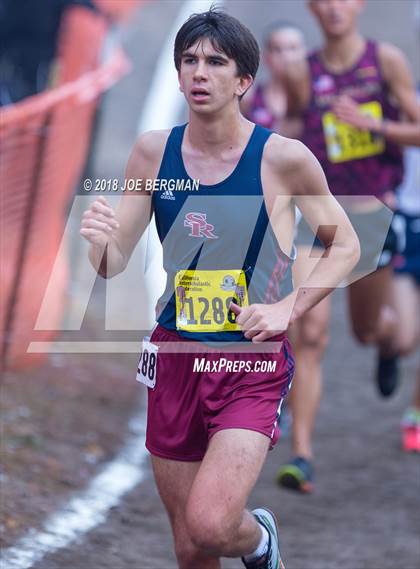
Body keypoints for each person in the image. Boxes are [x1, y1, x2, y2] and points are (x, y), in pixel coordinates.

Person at [80, 9, 359, 568]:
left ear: (243, 81)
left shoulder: (283, 159)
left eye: (214, 62)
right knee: (189, 545)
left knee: (211, 524)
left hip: (248, 366)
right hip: (176, 355)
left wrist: (287, 307)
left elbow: (346, 245)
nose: (198, 73)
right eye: (188, 61)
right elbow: (113, 263)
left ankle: (260, 540)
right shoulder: (153, 153)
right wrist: (99, 241)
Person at [276, 0, 420, 493]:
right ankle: (303, 454)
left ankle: (386, 345)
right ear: (313, 9)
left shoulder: (385, 62)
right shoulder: (303, 72)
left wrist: (372, 124)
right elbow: (292, 127)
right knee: (309, 333)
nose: (334, 8)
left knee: (370, 332)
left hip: (371, 218)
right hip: (316, 215)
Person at [393, 140, 420, 453]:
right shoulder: (406, 101)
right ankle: (389, 348)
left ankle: (415, 413)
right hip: (407, 220)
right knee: (404, 339)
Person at [241, 21, 306, 139]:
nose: (286, 56)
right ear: (266, 57)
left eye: (292, 48)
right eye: (277, 50)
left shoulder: (319, 95)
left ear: (305, 53)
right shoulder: (249, 98)